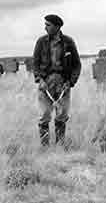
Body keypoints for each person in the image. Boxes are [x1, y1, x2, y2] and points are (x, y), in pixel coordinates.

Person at [32, 14, 81, 146]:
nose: (45, 28)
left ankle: (60, 145)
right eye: (45, 24)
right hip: (45, 84)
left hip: (63, 83)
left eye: (48, 25)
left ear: (57, 27)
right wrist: (39, 80)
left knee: (62, 115)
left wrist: (70, 82)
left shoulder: (68, 42)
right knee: (44, 115)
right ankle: (45, 147)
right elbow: (35, 64)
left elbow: (77, 64)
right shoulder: (41, 42)